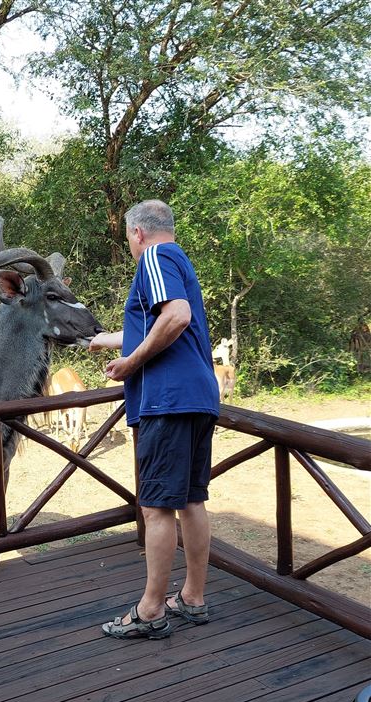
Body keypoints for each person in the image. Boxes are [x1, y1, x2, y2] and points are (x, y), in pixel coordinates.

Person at [89, 199, 220, 640]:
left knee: (157, 507)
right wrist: (107, 341)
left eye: (128, 237)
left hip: (167, 402)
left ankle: (150, 610)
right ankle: (193, 598)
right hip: (198, 397)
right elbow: (157, 325)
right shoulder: (179, 260)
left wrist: (130, 364)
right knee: (192, 500)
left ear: (137, 233)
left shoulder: (155, 257)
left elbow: (176, 317)